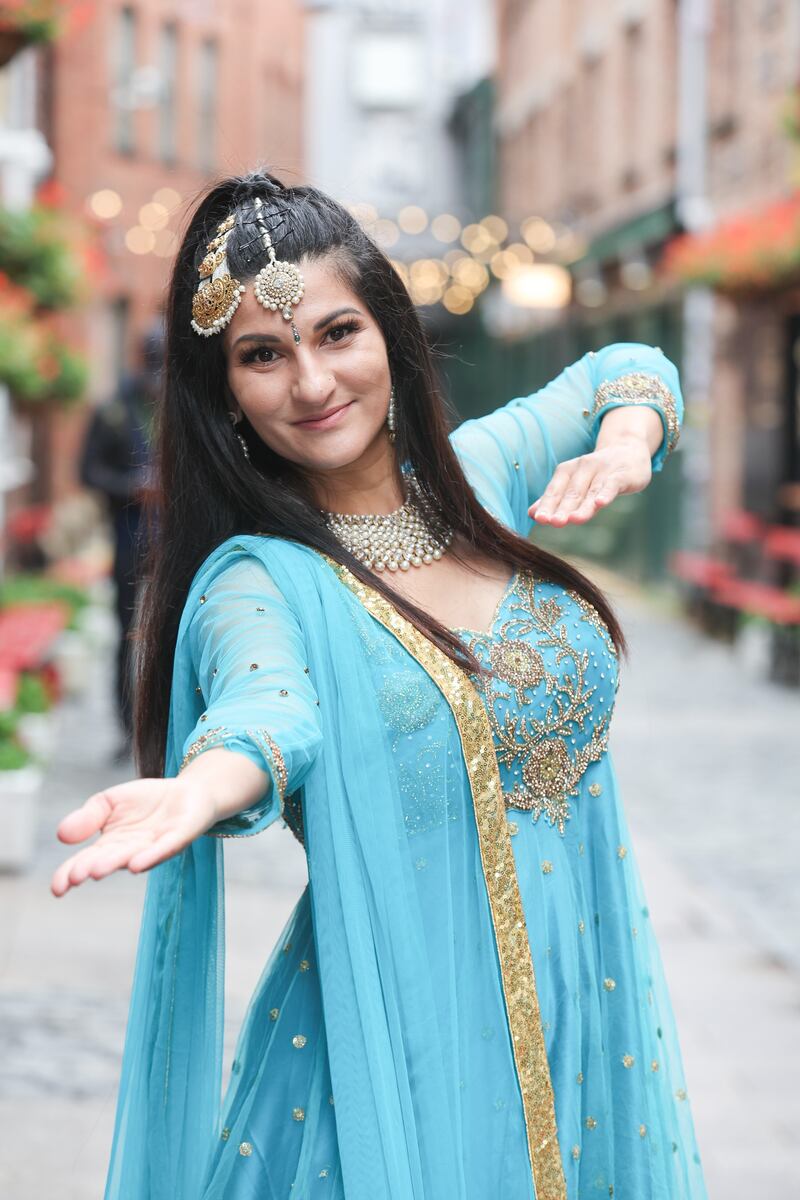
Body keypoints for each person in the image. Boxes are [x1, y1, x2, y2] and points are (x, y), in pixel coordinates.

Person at [50, 170, 707, 1200]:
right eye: (261, 356)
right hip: (390, 1070)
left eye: (335, 333)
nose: (310, 383)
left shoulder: (476, 478)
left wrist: (626, 439)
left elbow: (625, 365)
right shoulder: (260, 582)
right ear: (222, 391)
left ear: (387, 335)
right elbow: (268, 708)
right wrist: (209, 781)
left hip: (583, 1024)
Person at [79, 325, 161, 758]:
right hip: (129, 537)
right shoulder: (113, 409)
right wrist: (133, 486)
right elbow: (87, 472)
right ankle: (126, 728)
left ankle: (166, 726)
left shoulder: (179, 405)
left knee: (173, 632)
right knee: (126, 635)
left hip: (173, 540)